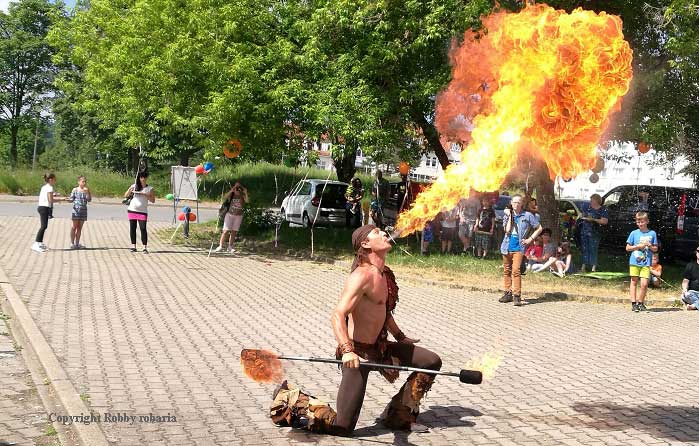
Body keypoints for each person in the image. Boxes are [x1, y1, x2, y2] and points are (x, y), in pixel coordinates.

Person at [270, 224, 442, 435]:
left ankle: (398, 416)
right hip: (358, 354)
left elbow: (384, 311)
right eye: (377, 232)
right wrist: (347, 350)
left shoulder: (385, 273)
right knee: (342, 426)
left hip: (380, 348)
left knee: (431, 362)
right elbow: (338, 315)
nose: (384, 233)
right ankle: (288, 398)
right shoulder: (361, 276)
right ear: (365, 243)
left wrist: (400, 336)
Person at [499, 194, 543, 306]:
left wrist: (530, 239)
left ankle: (517, 295)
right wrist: (509, 216)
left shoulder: (527, 215)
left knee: (516, 270)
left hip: (519, 247)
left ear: (522, 204)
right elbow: (507, 230)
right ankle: (507, 293)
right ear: (511, 203)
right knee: (507, 270)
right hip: (506, 246)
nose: (516, 205)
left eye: (518, 202)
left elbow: (539, 228)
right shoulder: (508, 215)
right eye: (514, 202)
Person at [625, 211, 658, 312]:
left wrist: (650, 246)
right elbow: (627, 248)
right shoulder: (634, 233)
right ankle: (634, 303)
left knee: (644, 284)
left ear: (647, 221)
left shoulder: (652, 233)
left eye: (642, 222)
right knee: (634, 281)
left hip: (646, 263)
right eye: (638, 222)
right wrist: (637, 246)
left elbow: (655, 249)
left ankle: (641, 302)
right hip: (634, 261)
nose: (640, 224)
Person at [32, 173, 67, 253]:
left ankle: (39, 243)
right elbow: (51, 200)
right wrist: (62, 199)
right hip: (44, 208)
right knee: (43, 226)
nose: (55, 181)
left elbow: (47, 196)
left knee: (44, 226)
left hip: (41, 207)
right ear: (50, 179)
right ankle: (36, 244)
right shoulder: (50, 188)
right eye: (55, 179)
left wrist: (55, 194)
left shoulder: (45, 187)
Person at [125, 171, 155, 253]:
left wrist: (146, 195)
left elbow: (153, 200)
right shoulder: (134, 186)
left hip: (142, 211)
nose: (143, 179)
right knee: (132, 228)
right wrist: (129, 190)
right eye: (141, 177)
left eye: (144, 177)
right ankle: (133, 246)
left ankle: (144, 247)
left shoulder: (149, 188)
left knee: (143, 228)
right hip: (132, 210)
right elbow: (126, 195)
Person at [215, 182, 249, 253]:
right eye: (236, 189)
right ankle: (220, 246)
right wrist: (231, 190)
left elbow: (247, 201)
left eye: (239, 190)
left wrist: (245, 193)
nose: (238, 191)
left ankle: (230, 247)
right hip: (229, 215)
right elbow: (225, 197)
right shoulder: (232, 195)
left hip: (238, 216)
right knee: (225, 231)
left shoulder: (242, 196)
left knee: (234, 231)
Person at [579, 194, 609, 273]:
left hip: (595, 232)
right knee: (585, 249)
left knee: (593, 249)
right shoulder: (588, 208)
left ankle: (593, 267)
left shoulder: (602, 210)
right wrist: (583, 216)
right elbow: (582, 216)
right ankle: (583, 267)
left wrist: (593, 220)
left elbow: (605, 221)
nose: (590, 202)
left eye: (592, 200)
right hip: (585, 231)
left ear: (597, 201)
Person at [68, 175, 92, 249]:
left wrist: (87, 193)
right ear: (78, 182)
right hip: (76, 210)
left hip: (83, 210)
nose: (84, 183)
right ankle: (72, 243)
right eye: (82, 181)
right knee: (74, 226)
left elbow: (89, 199)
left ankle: (77, 243)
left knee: (79, 228)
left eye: (85, 182)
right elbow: (71, 199)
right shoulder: (75, 190)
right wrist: (66, 199)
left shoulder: (86, 190)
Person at [681, 245, 699, 310]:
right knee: (687, 295)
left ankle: (694, 306)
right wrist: (684, 289)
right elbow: (685, 281)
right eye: (698, 251)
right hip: (692, 293)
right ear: (696, 253)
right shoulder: (690, 266)